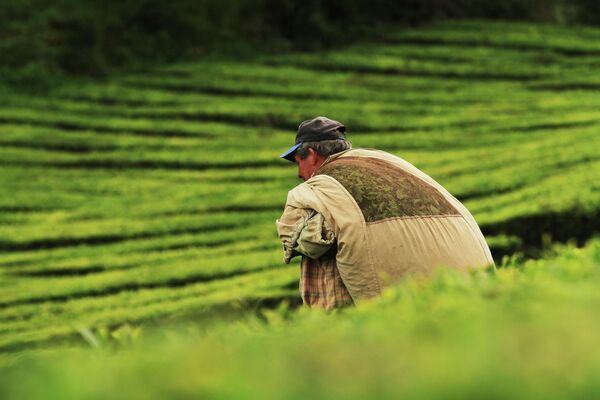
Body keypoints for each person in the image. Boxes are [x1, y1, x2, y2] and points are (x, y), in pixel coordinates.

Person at [276, 116, 495, 310]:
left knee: (321, 237)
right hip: (471, 284)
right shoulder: (386, 164)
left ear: (312, 155)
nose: (298, 173)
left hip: (395, 305)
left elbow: (293, 234)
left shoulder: (323, 185)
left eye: (298, 162)